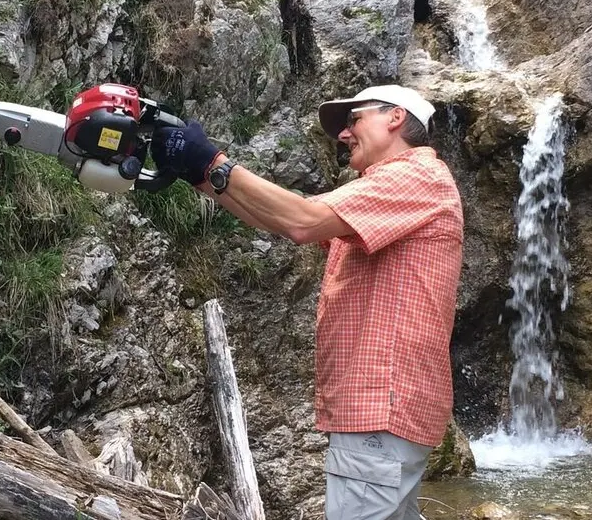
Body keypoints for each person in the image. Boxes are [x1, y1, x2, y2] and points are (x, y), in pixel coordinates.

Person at [150, 85, 464, 520]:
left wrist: (215, 162)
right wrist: (201, 175)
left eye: (353, 120)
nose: (343, 134)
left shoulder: (412, 177)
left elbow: (300, 221)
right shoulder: (391, 193)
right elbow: (283, 218)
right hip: (387, 410)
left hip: (380, 407)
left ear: (394, 117)